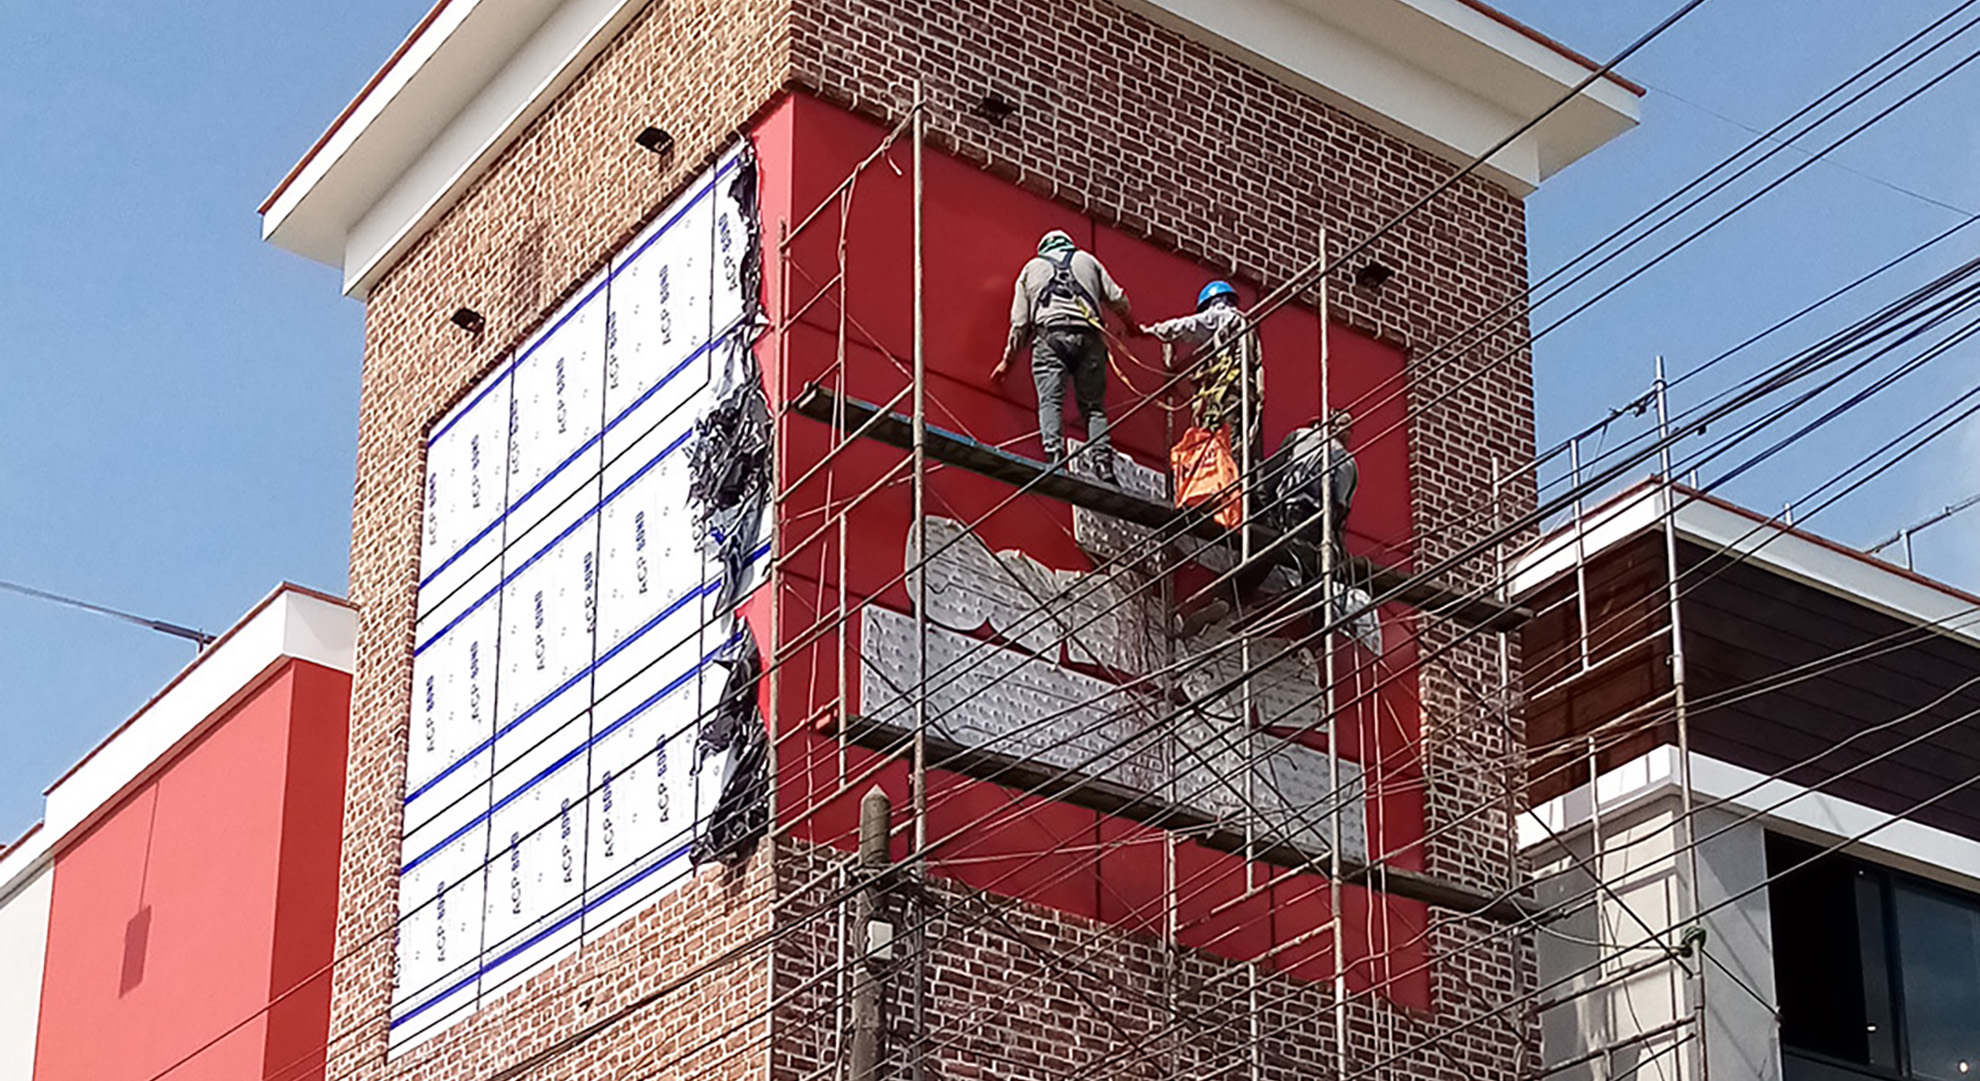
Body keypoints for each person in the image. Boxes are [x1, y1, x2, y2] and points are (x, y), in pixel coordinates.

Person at [992, 230, 1136, 483]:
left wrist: (1008, 361)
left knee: (1050, 402)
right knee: (1094, 409)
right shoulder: (1087, 260)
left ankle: (1055, 458)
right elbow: (1117, 298)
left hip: (1050, 338)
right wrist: (1131, 325)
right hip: (1088, 338)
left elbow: (1020, 323)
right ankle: (1103, 465)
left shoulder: (1031, 269)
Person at [1142, 280, 1264, 472]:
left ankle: (1231, 485)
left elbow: (1187, 326)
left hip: (1230, 390)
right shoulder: (1244, 323)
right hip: (1247, 392)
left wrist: (1152, 331)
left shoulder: (1222, 317)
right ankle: (1253, 492)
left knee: (1228, 440)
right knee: (1250, 443)